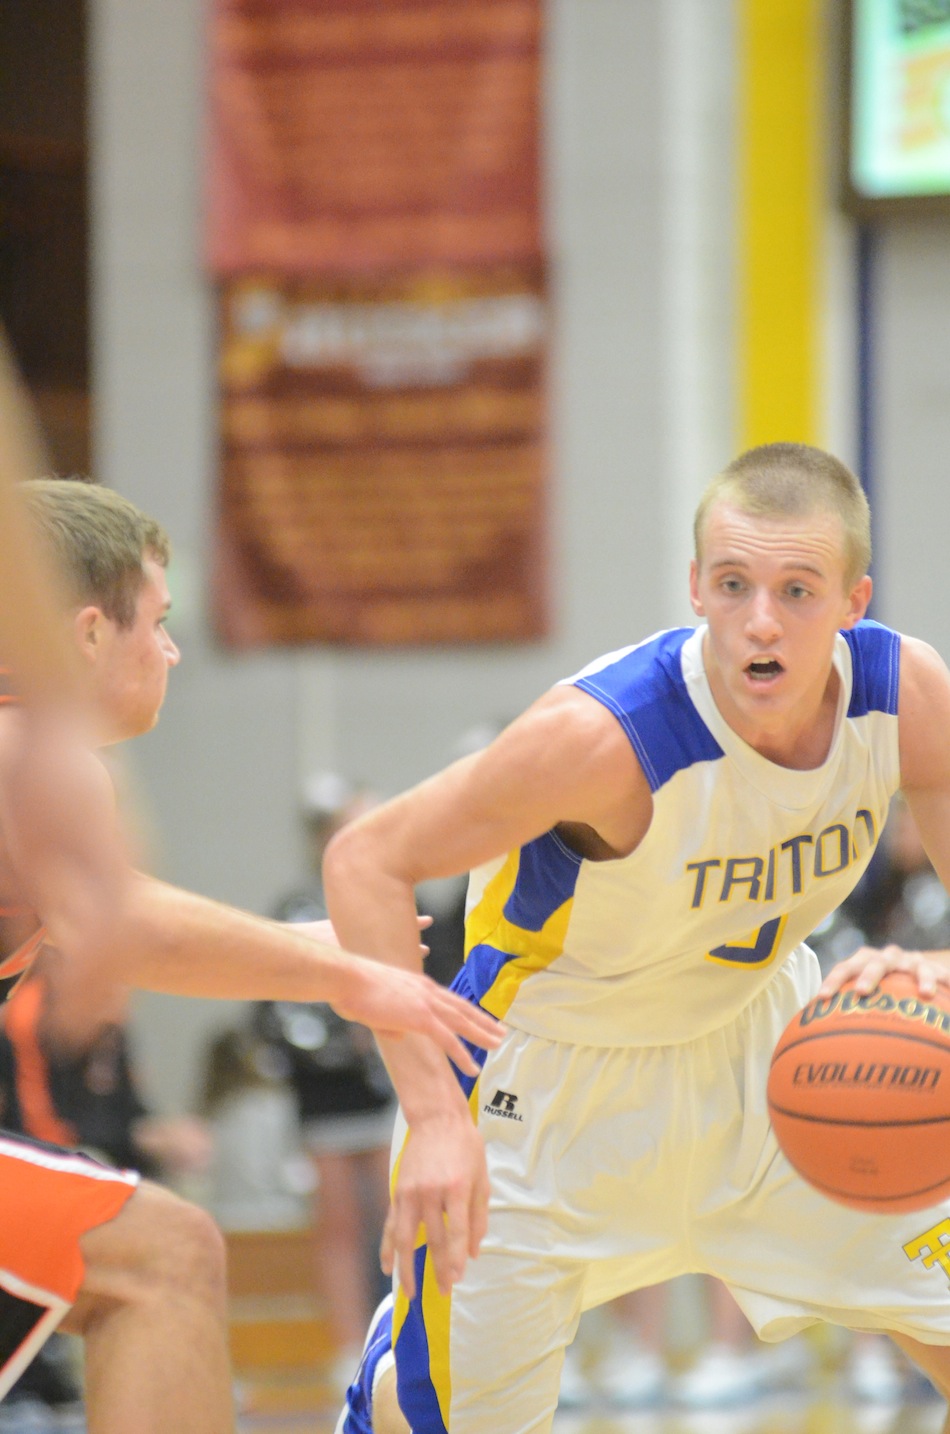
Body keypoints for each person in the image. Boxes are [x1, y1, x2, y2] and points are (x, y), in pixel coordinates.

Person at [325, 441, 950, 1434]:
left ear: (851, 602)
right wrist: (433, 1120)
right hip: (544, 1089)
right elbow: (363, 861)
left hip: (771, 1061)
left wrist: (925, 976)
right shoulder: (600, 739)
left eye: (796, 590)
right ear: (694, 589)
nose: (759, 620)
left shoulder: (904, 695)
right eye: (734, 584)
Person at [0, 477, 503, 1434]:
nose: (174, 650)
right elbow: (120, 921)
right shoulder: (39, 749)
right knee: (165, 1255)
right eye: (159, 620)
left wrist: (300, 950)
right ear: (90, 633)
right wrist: (351, 974)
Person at [263, 773, 398, 1391]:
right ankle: (349, 1345)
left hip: (389, 1086)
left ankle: (406, 1336)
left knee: (401, 1215)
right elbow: (278, 1009)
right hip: (325, 1096)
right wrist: (344, 1037)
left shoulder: (388, 895)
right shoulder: (295, 908)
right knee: (340, 1222)